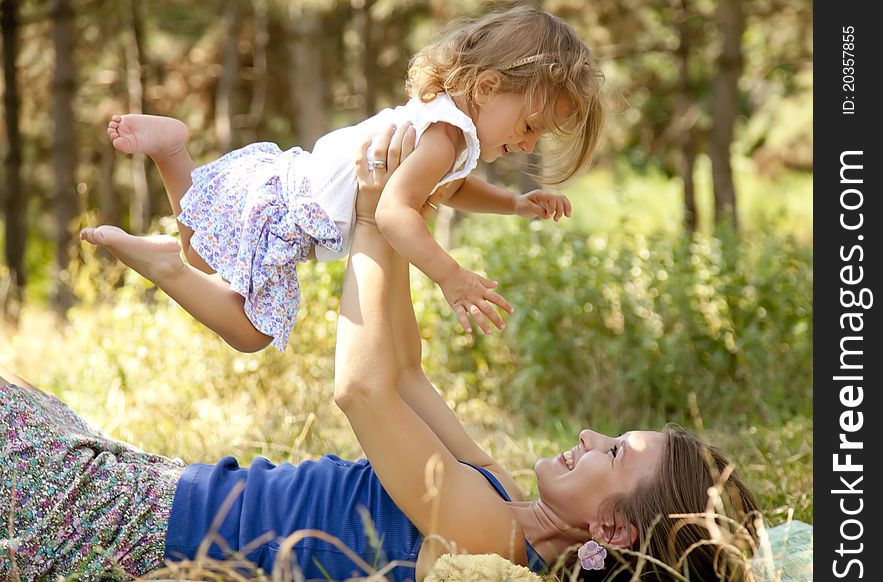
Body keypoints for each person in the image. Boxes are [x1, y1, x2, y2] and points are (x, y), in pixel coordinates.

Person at [3, 126, 759, 582]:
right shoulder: (493, 494)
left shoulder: (491, 542)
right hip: (157, 485)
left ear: (613, 530)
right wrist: (406, 217)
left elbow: (362, 392)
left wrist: (370, 221)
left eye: (617, 452)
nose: (593, 436)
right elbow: (403, 374)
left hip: (126, 521)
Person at [80, 5, 602, 352]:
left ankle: (173, 156)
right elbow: (396, 213)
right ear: (487, 87)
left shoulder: (450, 133)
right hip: (287, 205)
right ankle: (171, 167)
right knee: (250, 332)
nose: (530, 143)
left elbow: (446, 190)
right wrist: (451, 276)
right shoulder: (446, 133)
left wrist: (514, 204)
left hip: (285, 183)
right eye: (530, 126)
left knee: (203, 256)